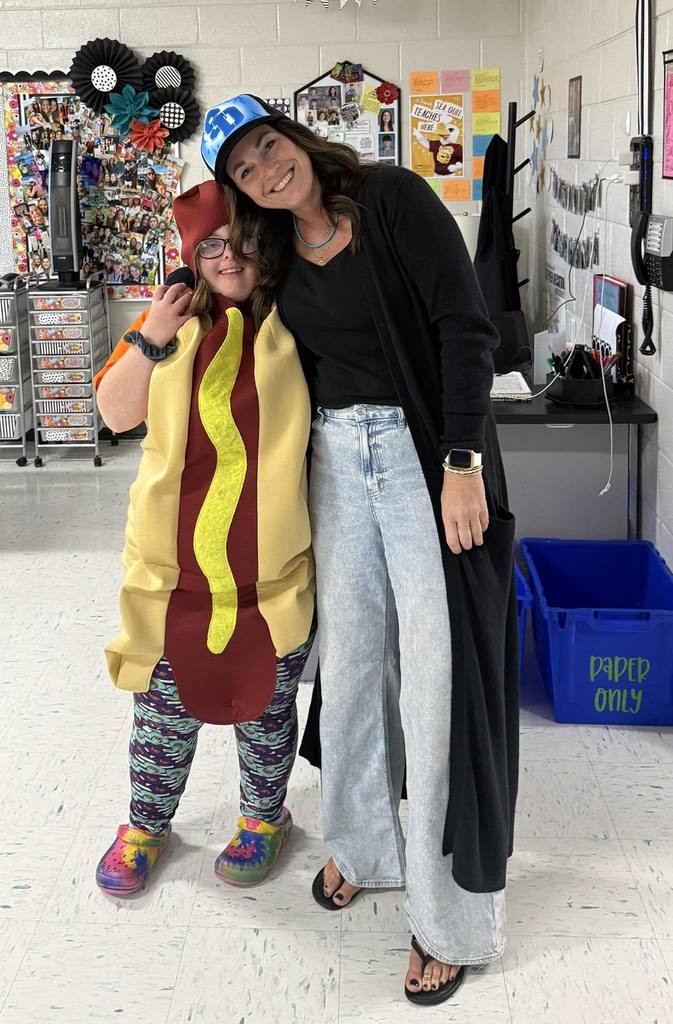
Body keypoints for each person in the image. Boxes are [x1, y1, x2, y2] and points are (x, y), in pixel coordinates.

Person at [198, 94, 518, 1007]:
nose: (267, 169)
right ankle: (364, 848)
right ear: (239, 190)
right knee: (352, 672)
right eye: (245, 170)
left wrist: (460, 462)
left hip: (425, 456)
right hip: (336, 466)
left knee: (435, 680)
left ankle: (446, 915)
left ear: (294, 137)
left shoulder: (393, 200)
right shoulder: (270, 253)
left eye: (268, 145)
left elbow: (466, 329)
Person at [92, 180, 316, 895]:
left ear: (268, 244)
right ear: (191, 255)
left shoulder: (298, 324)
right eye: (211, 245)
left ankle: (263, 818)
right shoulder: (172, 327)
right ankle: (146, 826)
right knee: (162, 713)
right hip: (173, 576)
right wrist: (151, 334)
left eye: (245, 240)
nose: (229, 257)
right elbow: (115, 413)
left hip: (270, 573)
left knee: (266, 709)